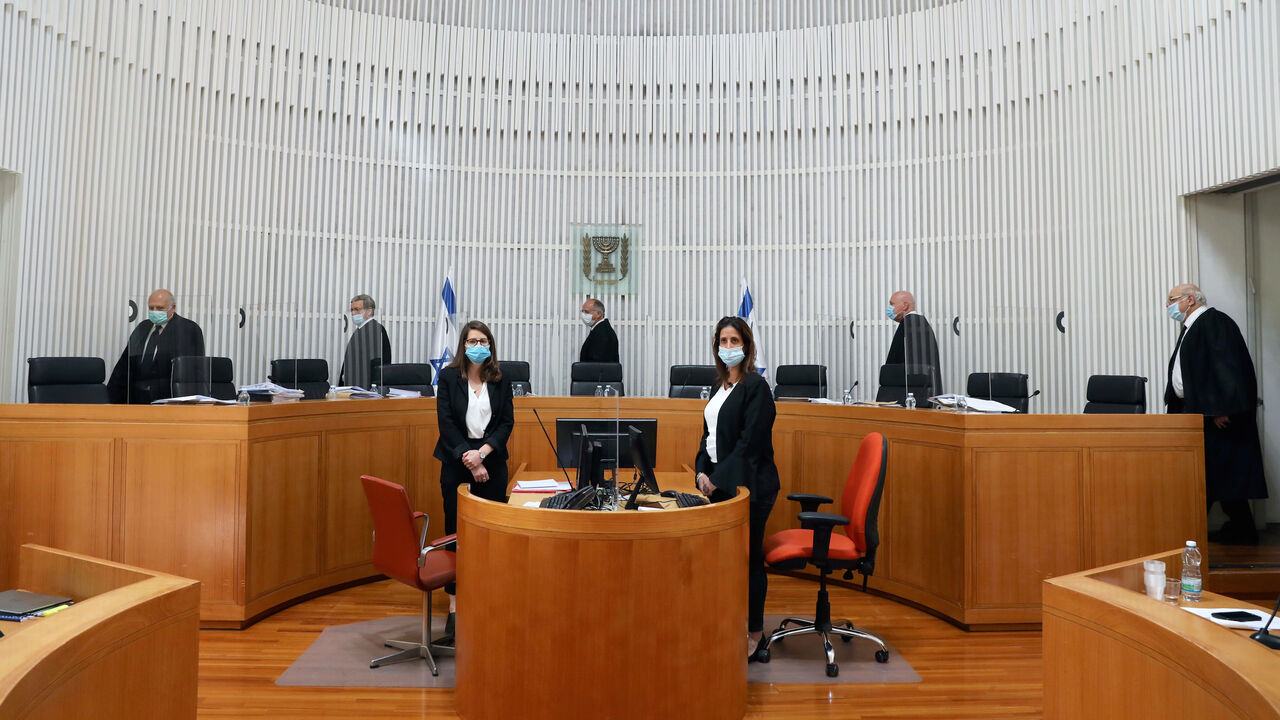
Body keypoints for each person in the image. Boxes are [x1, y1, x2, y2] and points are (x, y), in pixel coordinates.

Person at [694, 316, 780, 663]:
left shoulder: (755, 386)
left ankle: (756, 634)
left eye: (734, 341)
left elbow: (749, 443)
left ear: (746, 344)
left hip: (751, 486)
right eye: (722, 341)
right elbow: (708, 436)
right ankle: (732, 624)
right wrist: (701, 470)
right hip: (721, 485)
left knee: (749, 559)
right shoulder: (721, 386)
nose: (727, 347)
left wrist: (718, 479)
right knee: (729, 560)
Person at [1164, 284, 1267, 545]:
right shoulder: (1194, 326)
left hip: (1217, 417)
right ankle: (1238, 529)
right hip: (1201, 413)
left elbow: (1228, 368)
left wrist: (1221, 410)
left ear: (1190, 299)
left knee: (1216, 474)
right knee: (1217, 476)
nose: (1168, 306)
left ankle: (1192, 533)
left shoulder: (1214, 322)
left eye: (1172, 300)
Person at [433, 320, 515, 633]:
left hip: (492, 463)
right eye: (471, 341)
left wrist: (482, 454)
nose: (477, 346)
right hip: (456, 463)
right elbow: (446, 423)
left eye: (482, 341)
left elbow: (506, 423)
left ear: (490, 345)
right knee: (457, 532)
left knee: (491, 533)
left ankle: (487, 595)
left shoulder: (500, 378)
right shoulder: (449, 376)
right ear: (463, 346)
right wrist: (469, 457)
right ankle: (455, 603)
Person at [107, 289, 205, 404]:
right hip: (136, 401)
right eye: (151, 308)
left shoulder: (187, 329)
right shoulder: (142, 327)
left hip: (169, 402)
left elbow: (193, 371)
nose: (154, 311)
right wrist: (110, 399)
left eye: (160, 308)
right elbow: (125, 365)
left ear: (172, 308)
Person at [884, 290, 943, 400]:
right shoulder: (924, 325)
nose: (889, 308)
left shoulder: (906, 326)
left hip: (907, 397)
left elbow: (893, 364)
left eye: (892, 304)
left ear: (905, 305)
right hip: (927, 396)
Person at [338, 294, 392, 390]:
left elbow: (377, 364)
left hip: (365, 390)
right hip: (354, 388)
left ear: (369, 311)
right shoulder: (361, 330)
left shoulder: (375, 330)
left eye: (357, 309)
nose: (353, 313)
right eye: (352, 310)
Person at [579, 298, 619, 363]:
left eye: (586, 312)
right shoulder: (600, 329)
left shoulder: (602, 333)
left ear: (598, 314)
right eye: (582, 311)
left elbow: (597, 363)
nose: (583, 315)